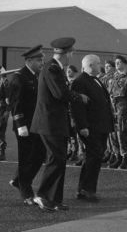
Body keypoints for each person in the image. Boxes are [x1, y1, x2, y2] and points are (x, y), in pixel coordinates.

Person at [30, 37, 87, 212]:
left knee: (59, 159)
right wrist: (79, 97)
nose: (72, 55)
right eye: (71, 52)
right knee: (56, 159)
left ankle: (54, 199)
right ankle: (42, 195)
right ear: (67, 53)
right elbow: (59, 94)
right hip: (49, 122)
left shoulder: (55, 68)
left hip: (54, 122)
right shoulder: (52, 69)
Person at [70, 54, 115, 201]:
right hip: (90, 127)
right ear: (90, 65)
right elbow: (77, 107)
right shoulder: (80, 81)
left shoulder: (95, 80)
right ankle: (88, 190)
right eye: (98, 63)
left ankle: (83, 189)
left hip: (100, 126)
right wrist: (82, 126)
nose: (100, 65)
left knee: (93, 157)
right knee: (94, 157)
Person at [7, 45, 46, 205]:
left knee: (40, 155)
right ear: (29, 61)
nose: (41, 63)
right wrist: (20, 124)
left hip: (35, 124)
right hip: (24, 126)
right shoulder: (19, 77)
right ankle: (26, 192)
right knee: (26, 158)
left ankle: (18, 180)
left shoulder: (36, 76)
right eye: (38, 60)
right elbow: (15, 103)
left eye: (42, 60)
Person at [108, 55, 127, 169]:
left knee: (122, 133)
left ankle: (125, 157)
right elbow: (109, 93)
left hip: (123, 107)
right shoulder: (112, 78)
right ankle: (117, 156)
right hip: (113, 108)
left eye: (119, 62)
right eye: (116, 62)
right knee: (113, 133)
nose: (117, 64)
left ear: (124, 64)